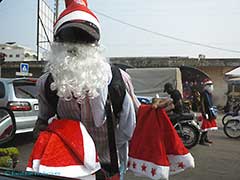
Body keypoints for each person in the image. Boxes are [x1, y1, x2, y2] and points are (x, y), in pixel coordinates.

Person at [28, 0, 137, 179]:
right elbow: (43, 119)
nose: (77, 45)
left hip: (109, 168)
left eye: (85, 38)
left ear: (95, 43)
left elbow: (129, 127)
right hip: (68, 170)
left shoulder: (119, 80)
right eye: (70, 35)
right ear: (57, 41)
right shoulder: (45, 84)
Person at [199, 78, 218, 146]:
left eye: (211, 85)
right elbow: (202, 103)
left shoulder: (209, 93)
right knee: (205, 126)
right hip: (206, 112)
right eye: (209, 85)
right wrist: (204, 112)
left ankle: (205, 138)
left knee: (208, 126)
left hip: (210, 111)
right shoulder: (204, 93)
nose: (210, 86)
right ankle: (201, 140)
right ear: (206, 86)